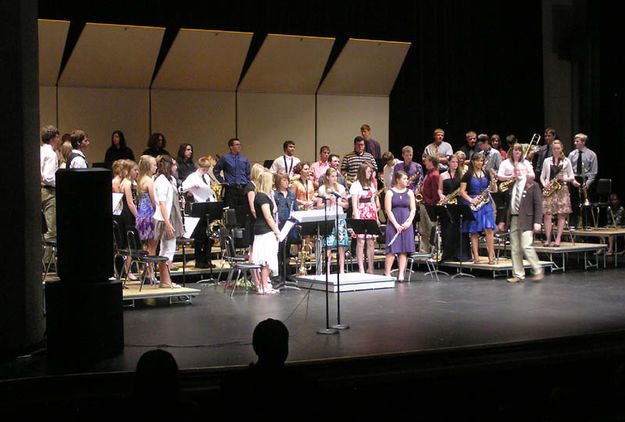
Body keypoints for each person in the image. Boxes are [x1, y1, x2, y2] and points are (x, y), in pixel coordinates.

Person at [498, 162, 544, 283]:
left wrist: (538, 221)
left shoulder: (533, 185)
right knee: (515, 248)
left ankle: (538, 269)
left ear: (526, 171)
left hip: (527, 219)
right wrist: (502, 220)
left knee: (526, 246)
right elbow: (507, 205)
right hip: (514, 218)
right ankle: (518, 274)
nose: (519, 172)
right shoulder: (512, 185)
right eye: (517, 170)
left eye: (521, 170)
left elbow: (538, 205)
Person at [459, 152, 497, 264]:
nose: (480, 163)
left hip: (486, 202)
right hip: (474, 202)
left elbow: (493, 189)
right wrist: (471, 200)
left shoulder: (486, 173)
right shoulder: (467, 174)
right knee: (474, 230)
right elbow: (462, 191)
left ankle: (491, 256)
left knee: (489, 229)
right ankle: (476, 256)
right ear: (473, 161)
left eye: (481, 161)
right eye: (478, 160)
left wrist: (494, 180)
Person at [153, 155, 183, 287]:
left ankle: (165, 280)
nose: (176, 167)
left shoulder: (170, 180)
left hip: (171, 215)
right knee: (168, 249)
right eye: (173, 164)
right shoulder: (162, 181)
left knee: (166, 249)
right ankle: (165, 280)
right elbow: (162, 203)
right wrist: (167, 222)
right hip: (166, 217)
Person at [182, 156, 217, 268]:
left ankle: (208, 259)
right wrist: (191, 188)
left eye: (207, 169)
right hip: (198, 206)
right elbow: (183, 188)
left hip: (207, 205)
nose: (205, 172)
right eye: (204, 169)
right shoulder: (192, 177)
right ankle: (199, 260)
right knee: (200, 235)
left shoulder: (206, 177)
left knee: (208, 235)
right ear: (199, 166)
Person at [540, 139, 575, 247]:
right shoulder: (547, 161)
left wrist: (564, 178)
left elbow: (572, 177)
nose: (556, 150)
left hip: (561, 189)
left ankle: (558, 239)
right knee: (547, 214)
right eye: (554, 148)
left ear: (562, 149)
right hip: (550, 189)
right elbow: (542, 176)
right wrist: (544, 184)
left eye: (558, 148)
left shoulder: (566, 161)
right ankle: (548, 238)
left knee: (561, 215)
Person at [251, 171, 281, 294]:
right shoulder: (261, 196)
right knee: (266, 259)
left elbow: (274, 208)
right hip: (265, 230)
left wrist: (272, 196)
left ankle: (264, 285)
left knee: (267, 259)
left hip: (263, 230)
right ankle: (264, 286)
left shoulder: (264, 196)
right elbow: (268, 216)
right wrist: (276, 231)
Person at [384, 171, 416, 281]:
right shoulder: (390, 192)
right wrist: (396, 224)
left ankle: (401, 274)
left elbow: (413, 209)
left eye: (407, 179)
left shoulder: (410, 192)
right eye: (404, 179)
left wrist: (408, 222)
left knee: (403, 250)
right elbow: (388, 210)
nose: (407, 181)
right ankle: (387, 273)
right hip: (394, 223)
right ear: (397, 180)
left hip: (406, 223)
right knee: (392, 249)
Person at [317, 167, 350, 274]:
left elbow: (346, 204)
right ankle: (327, 270)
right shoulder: (322, 189)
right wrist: (329, 202)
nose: (335, 178)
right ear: (327, 177)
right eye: (332, 176)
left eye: (336, 176)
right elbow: (319, 206)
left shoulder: (341, 188)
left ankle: (341, 270)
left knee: (341, 245)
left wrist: (337, 202)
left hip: (339, 217)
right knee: (328, 246)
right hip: (328, 219)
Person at [438, 152, 469, 261]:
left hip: (459, 203)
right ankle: (448, 255)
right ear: (448, 163)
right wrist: (441, 195)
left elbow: (466, 188)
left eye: (456, 162)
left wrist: (462, 192)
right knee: (447, 229)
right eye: (453, 162)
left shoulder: (462, 174)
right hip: (447, 203)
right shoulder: (442, 175)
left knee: (459, 228)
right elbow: (440, 189)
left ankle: (460, 255)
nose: (455, 164)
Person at [213, 138, 251, 227]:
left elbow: (248, 173)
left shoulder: (244, 159)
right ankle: (232, 231)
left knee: (243, 211)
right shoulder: (225, 158)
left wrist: (248, 183)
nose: (239, 146)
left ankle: (243, 230)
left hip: (243, 188)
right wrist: (223, 181)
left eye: (239, 144)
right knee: (231, 212)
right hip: (231, 189)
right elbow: (216, 170)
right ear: (231, 147)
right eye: (237, 144)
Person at [350, 163, 380, 274]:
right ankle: (361, 268)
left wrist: (376, 217)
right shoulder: (356, 185)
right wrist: (357, 218)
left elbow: (372, 202)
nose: (370, 173)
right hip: (360, 213)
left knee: (371, 241)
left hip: (370, 213)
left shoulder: (371, 185)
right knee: (361, 242)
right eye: (368, 171)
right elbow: (354, 204)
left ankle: (371, 268)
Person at [568, 133, 598, 229]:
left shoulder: (592, 154)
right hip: (575, 179)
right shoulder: (572, 154)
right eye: (575, 141)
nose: (575, 143)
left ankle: (587, 223)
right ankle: (573, 223)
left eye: (577, 141)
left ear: (583, 142)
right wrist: (572, 180)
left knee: (586, 202)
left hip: (586, 180)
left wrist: (588, 183)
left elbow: (594, 171)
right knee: (574, 202)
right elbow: (568, 169)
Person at [116, 159, 139, 280]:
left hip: (121, 213)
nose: (136, 172)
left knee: (124, 243)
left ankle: (124, 270)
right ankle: (128, 271)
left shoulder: (123, 181)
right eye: (135, 170)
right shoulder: (127, 183)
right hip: (127, 214)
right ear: (129, 170)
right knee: (128, 244)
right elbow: (130, 203)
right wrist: (138, 216)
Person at [40, 125, 59, 265]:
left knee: (42, 227)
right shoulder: (51, 154)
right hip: (49, 191)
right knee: (51, 230)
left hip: (40, 191)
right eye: (57, 137)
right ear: (53, 138)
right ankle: (46, 263)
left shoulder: (39, 151)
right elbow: (48, 177)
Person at [273, 173, 299, 279]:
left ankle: (287, 272)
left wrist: (295, 220)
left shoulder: (291, 194)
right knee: (279, 248)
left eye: (287, 180)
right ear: (279, 182)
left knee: (288, 247)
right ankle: (278, 272)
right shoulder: (275, 194)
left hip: (289, 222)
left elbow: (295, 208)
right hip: (279, 222)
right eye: (284, 180)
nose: (287, 182)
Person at [136, 155, 158, 261]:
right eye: (154, 165)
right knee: (152, 246)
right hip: (150, 214)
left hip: (141, 214)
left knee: (146, 245)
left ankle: (147, 270)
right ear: (149, 166)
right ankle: (150, 273)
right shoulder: (149, 181)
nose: (156, 167)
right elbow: (154, 201)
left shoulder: (140, 180)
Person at [418, 155, 441, 253]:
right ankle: (424, 250)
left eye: (426, 161)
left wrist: (430, 204)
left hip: (429, 205)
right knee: (424, 229)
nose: (425, 162)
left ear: (431, 162)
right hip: (425, 203)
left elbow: (436, 193)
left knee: (430, 228)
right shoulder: (429, 173)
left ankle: (433, 250)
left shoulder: (435, 175)